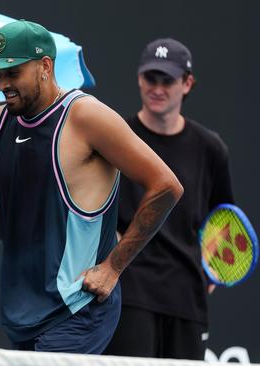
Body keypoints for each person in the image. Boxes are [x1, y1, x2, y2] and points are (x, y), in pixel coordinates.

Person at [0, 20, 184, 354]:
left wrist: (113, 267)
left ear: (45, 66)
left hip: (78, 312)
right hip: (21, 316)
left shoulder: (86, 117)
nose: (2, 84)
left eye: (12, 73)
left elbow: (167, 186)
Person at [103, 38, 233, 360]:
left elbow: (223, 217)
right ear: (138, 79)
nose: (157, 88)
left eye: (167, 80)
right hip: (129, 294)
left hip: (187, 298)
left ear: (187, 83)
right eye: (151, 78)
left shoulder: (211, 148)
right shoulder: (116, 137)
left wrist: (211, 271)